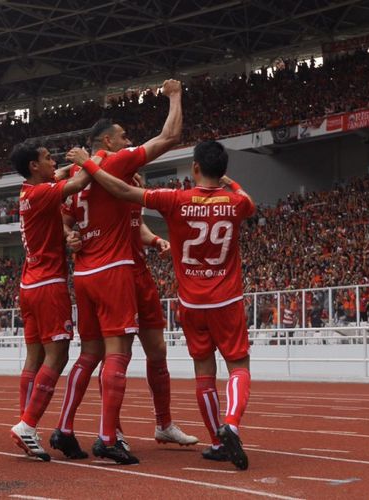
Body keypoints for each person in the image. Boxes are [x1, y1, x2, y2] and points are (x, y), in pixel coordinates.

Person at [69, 139, 255, 470]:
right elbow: (249, 202)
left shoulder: (176, 199)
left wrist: (91, 166)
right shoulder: (235, 203)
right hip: (227, 299)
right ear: (222, 170)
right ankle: (232, 425)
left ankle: (216, 439)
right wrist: (231, 182)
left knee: (204, 373)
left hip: (191, 302)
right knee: (238, 366)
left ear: (195, 168)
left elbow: (125, 193)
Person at [51, 79, 190, 465]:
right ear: (108, 143)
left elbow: (69, 220)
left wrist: (72, 237)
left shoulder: (79, 180)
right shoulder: (114, 162)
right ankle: (109, 433)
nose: (128, 140)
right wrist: (175, 96)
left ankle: (78, 427)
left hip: (96, 270)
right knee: (118, 353)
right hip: (115, 270)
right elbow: (170, 135)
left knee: (114, 350)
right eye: (123, 136)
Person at [8, 142, 92, 461]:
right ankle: (28, 424)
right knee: (57, 356)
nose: (52, 161)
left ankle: (25, 422)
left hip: (28, 284)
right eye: (46, 158)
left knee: (34, 357)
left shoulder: (26, 191)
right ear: (33, 166)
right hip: (48, 284)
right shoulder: (43, 192)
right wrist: (88, 161)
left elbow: (58, 174)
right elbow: (80, 182)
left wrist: (67, 167)